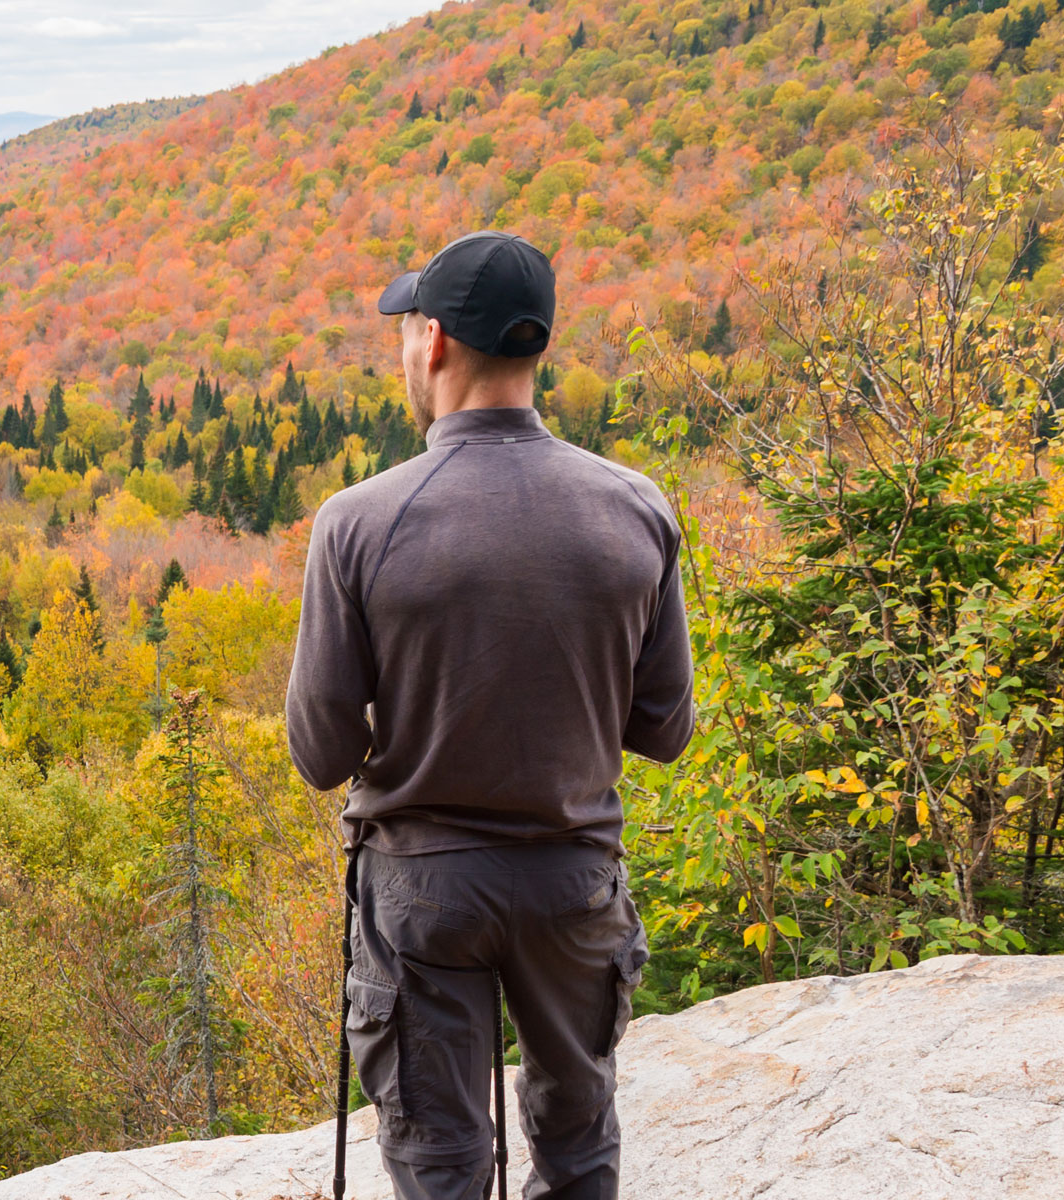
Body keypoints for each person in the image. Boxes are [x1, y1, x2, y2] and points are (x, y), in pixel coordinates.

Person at [286, 231, 695, 1200]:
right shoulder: (635, 511)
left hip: (424, 892)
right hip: (572, 883)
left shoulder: (357, 524)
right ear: (535, 350)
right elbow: (665, 729)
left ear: (432, 343)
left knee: (439, 1164)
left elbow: (320, 750)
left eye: (404, 329)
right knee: (578, 1144)